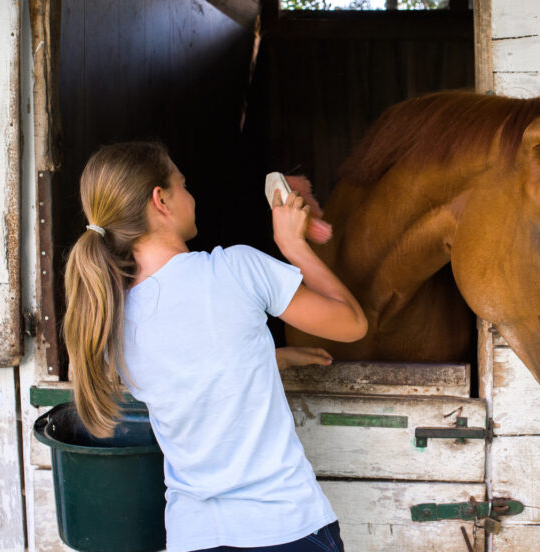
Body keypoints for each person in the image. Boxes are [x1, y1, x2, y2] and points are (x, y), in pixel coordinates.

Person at [62, 142, 367, 552]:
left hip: (194, 537)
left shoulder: (110, 322)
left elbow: (190, 370)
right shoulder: (236, 269)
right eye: (183, 185)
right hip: (286, 527)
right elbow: (352, 324)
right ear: (161, 200)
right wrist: (293, 245)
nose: (192, 195)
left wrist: (269, 357)